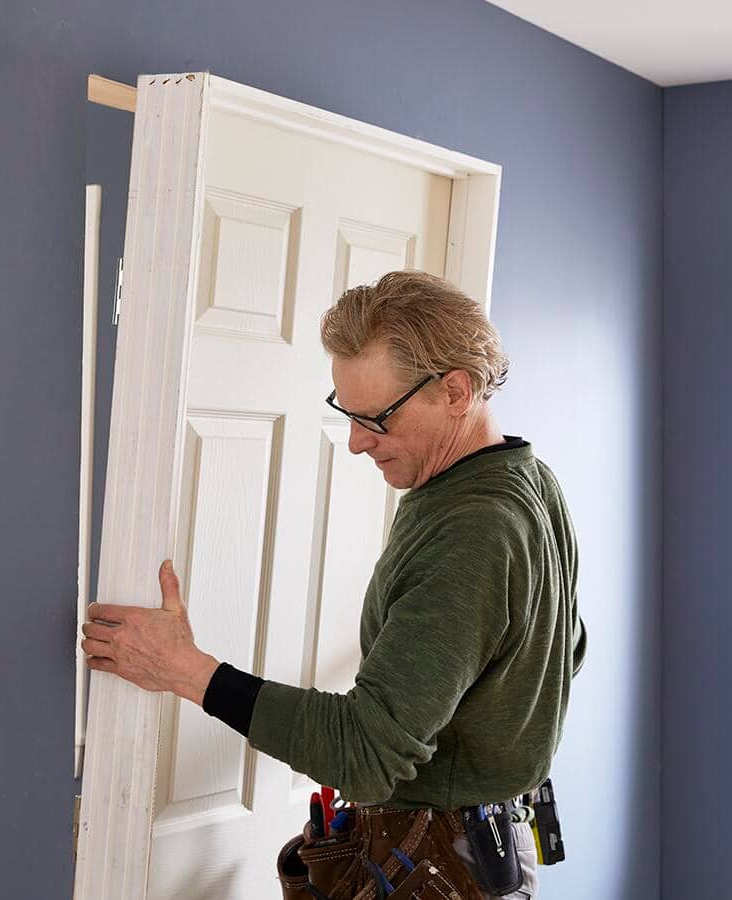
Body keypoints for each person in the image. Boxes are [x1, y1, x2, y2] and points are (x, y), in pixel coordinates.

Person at [82, 270, 586, 899]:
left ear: (456, 391)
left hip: (436, 861)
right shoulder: (525, 478)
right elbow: (563, 650)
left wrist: (185, 669)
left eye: (376, 418)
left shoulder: (474, 530)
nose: (354, 442)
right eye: (346, 413)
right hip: (491, 845)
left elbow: (366, 754)